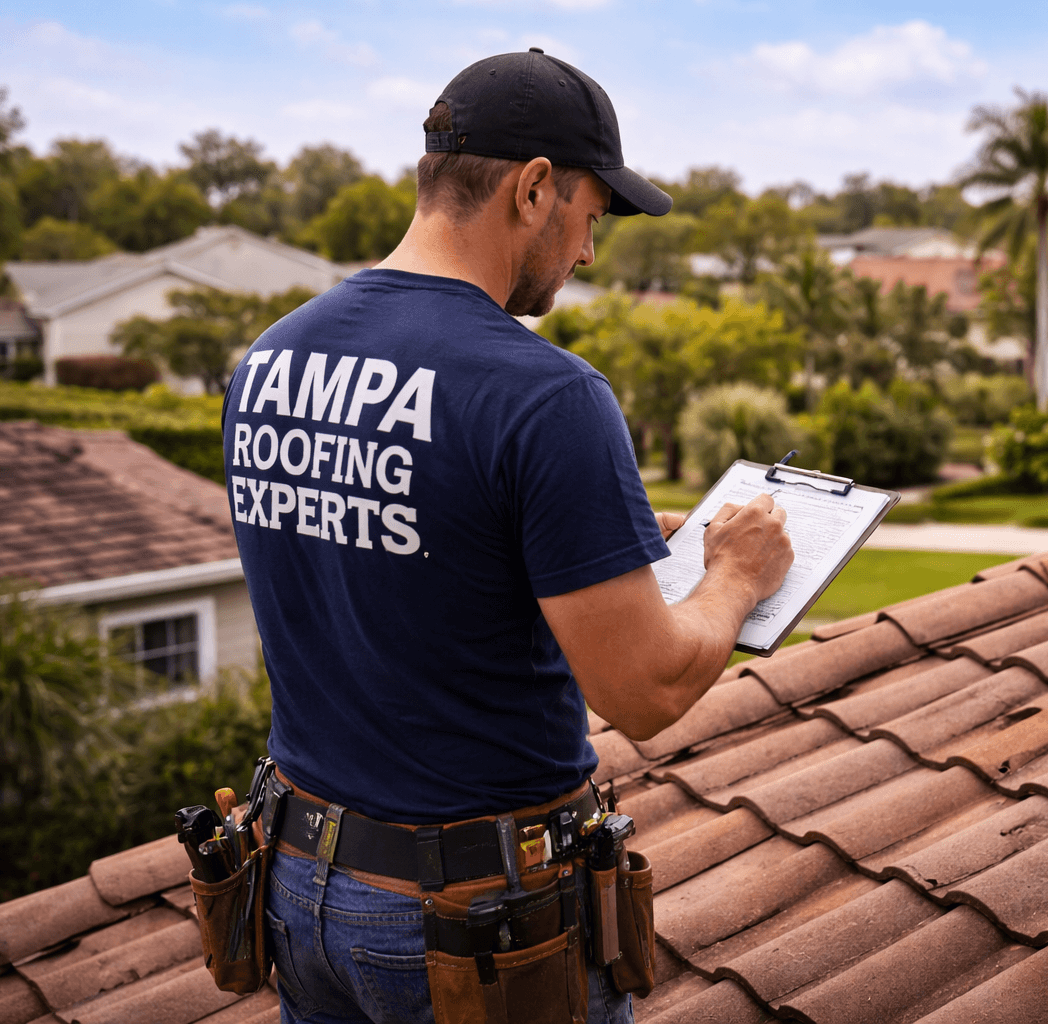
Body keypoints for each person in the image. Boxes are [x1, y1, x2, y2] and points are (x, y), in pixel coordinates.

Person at [222, 48, 793, 1024]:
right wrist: (738, 575)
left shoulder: (271, 359)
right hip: (468, 926)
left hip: (299, 887)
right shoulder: (545, 394)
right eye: (591, 215)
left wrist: (595, 539)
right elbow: (644, 691)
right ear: (533, 190)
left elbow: (399, 547)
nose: (589, 253)